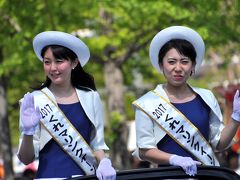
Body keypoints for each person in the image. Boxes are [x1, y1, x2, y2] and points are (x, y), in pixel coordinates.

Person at [132, 26, 240, 176]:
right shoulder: (147, 103)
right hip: (169, 176)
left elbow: (219, 143)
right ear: (161, 65)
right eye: (171, 62)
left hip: (206, 175)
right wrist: (174, 159)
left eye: (184, 61)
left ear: (193, 66)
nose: (178, 68)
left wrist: (235, 119)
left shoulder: (206, 97)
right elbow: (145, 150)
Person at [17, 31, 116, 180]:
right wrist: (27, 132)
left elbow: (97, 145)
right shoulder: (34, 101)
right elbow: (26, 159)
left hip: (85, 177)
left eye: (59, 61)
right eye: (47, 62)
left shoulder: (91, 97)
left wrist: (104, 162)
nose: (53, 68)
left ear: (74, 63)